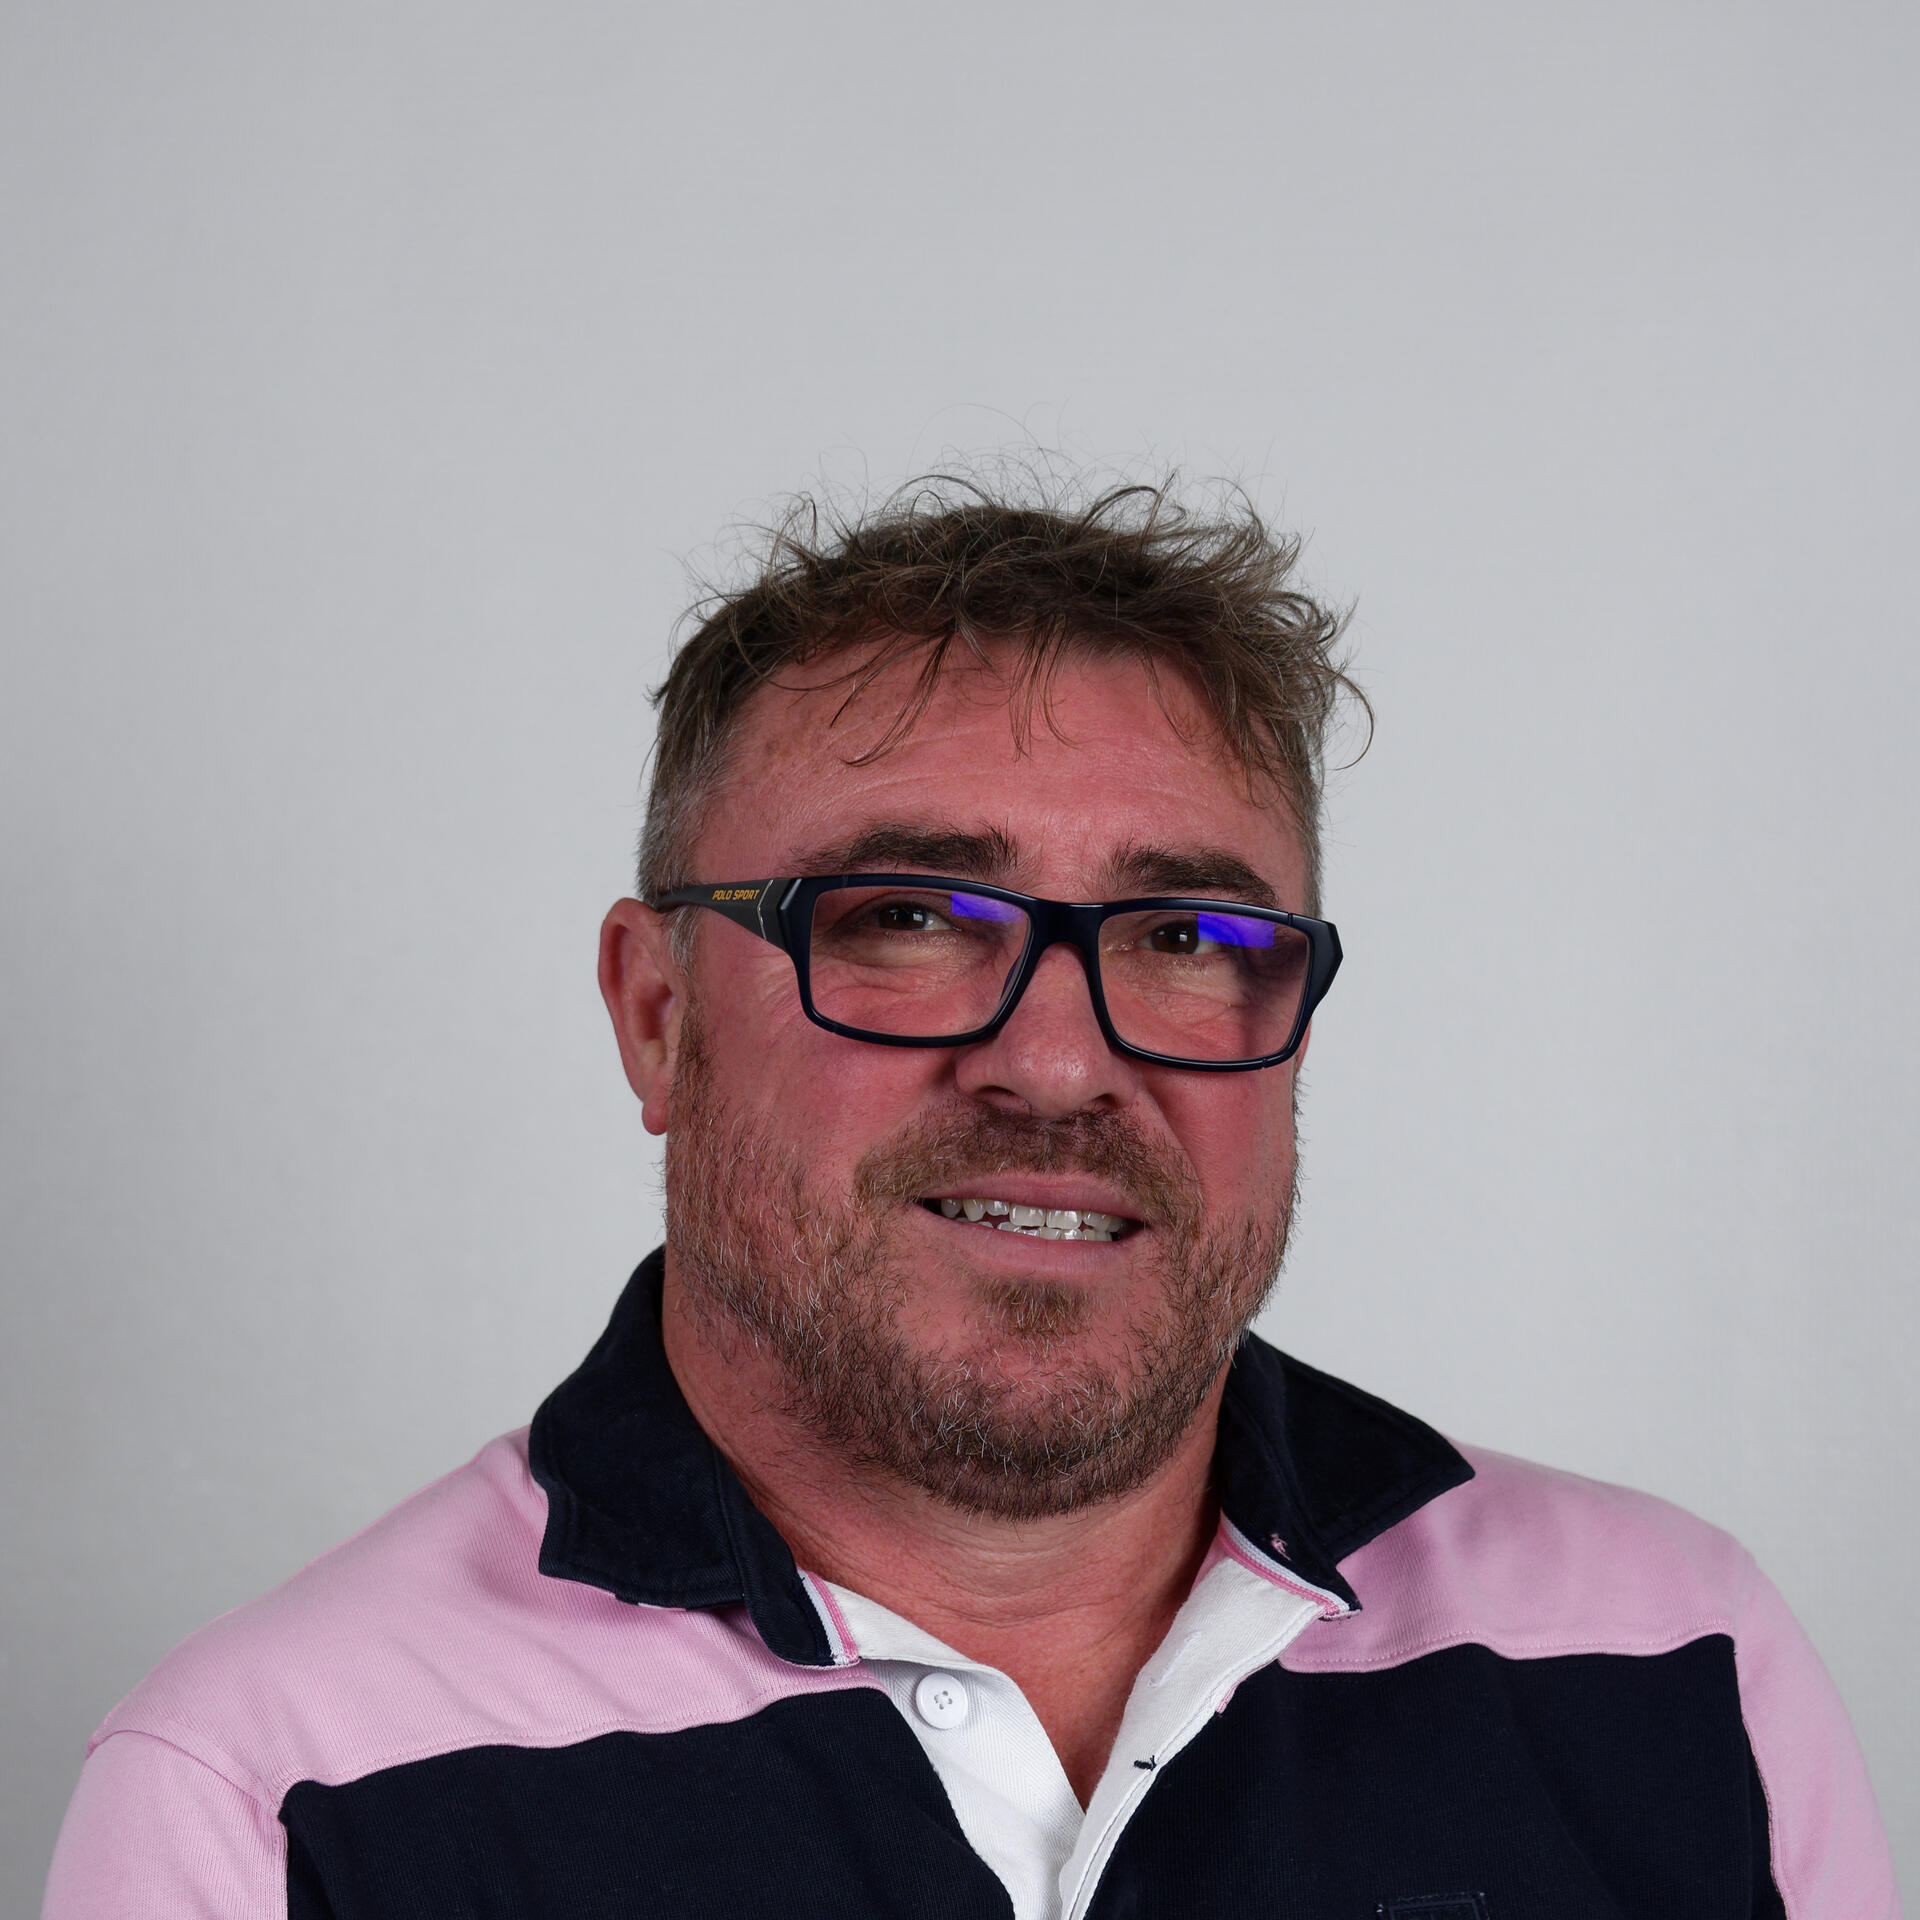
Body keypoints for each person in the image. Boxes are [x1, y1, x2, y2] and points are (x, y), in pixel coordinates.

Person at [45, 478, 1898, 1920]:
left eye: (1189, 937)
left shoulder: (1678, 1662)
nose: (1062, 1064)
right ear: (659, 1017)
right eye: (911, 918)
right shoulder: (275, 1798)